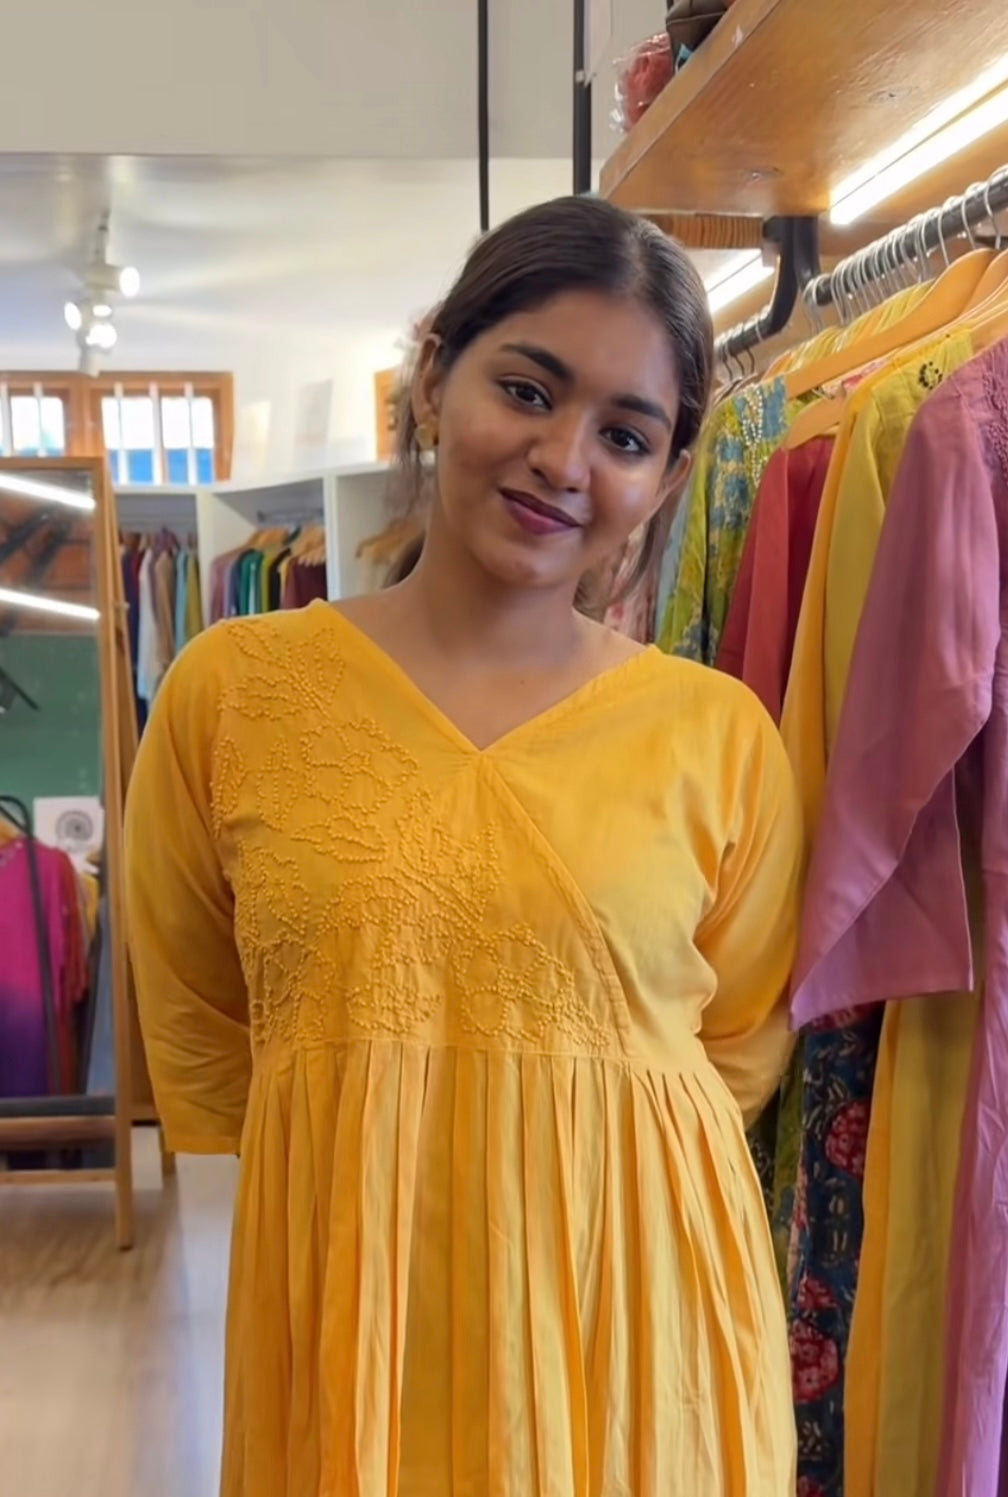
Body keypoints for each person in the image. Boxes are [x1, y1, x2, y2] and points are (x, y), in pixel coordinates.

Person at [124, 195, 804, 1496]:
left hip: (638, 1326)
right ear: (435, 376)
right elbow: (202, 1022)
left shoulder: (719, 735)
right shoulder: (234, 695)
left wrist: (569, 1153)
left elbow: (739, 1040)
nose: (562, 459)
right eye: (527, 390)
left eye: (624, 434)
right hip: (355, 1312)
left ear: (667, 478)